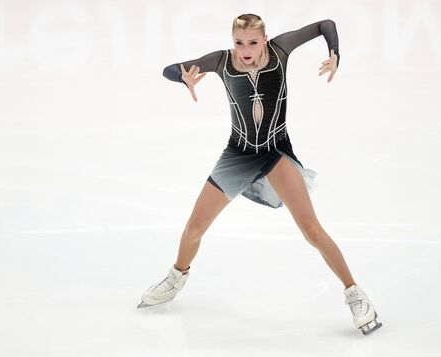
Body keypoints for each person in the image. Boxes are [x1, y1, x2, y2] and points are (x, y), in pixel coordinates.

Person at [137, 13, 382, 336]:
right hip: (237, 154)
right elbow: (170, 69)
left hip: (274, 152)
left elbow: (326, 25)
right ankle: (176, 276)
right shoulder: (222, 61)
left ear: (264, 40)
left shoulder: (280, 51)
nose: (245, 49)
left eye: (252, 42)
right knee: (195, 227)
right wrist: (183, 78)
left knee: (311, 229)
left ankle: (355, 294)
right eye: (239, 42)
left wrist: (334, 52)